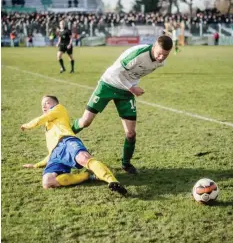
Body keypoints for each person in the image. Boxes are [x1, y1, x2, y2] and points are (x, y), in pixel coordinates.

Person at [72, 35, 173, 174]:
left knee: (131, 133)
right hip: (108, 84)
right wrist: (132, 88)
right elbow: (115, 72)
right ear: (154, 46)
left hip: (126, 92)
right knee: (85, 122)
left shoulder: (160, 62)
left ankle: (126, 164)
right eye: (159, 53)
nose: (161, 57)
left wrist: (130, 87)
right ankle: (61, 136)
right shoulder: (139, 54)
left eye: (165, 55)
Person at [20, 95, 127, 196]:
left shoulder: (59, 108)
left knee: (84, 158)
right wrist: (36, 165)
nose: (44, 105)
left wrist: (27, 125)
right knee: (47, 182)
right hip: (55, 154)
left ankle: (112, 181)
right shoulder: (48, 128)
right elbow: (51, 152)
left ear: (55, 104)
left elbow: (40, 119)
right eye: (42, 104)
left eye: (47, 103)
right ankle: (87, 176)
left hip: (66, 141)